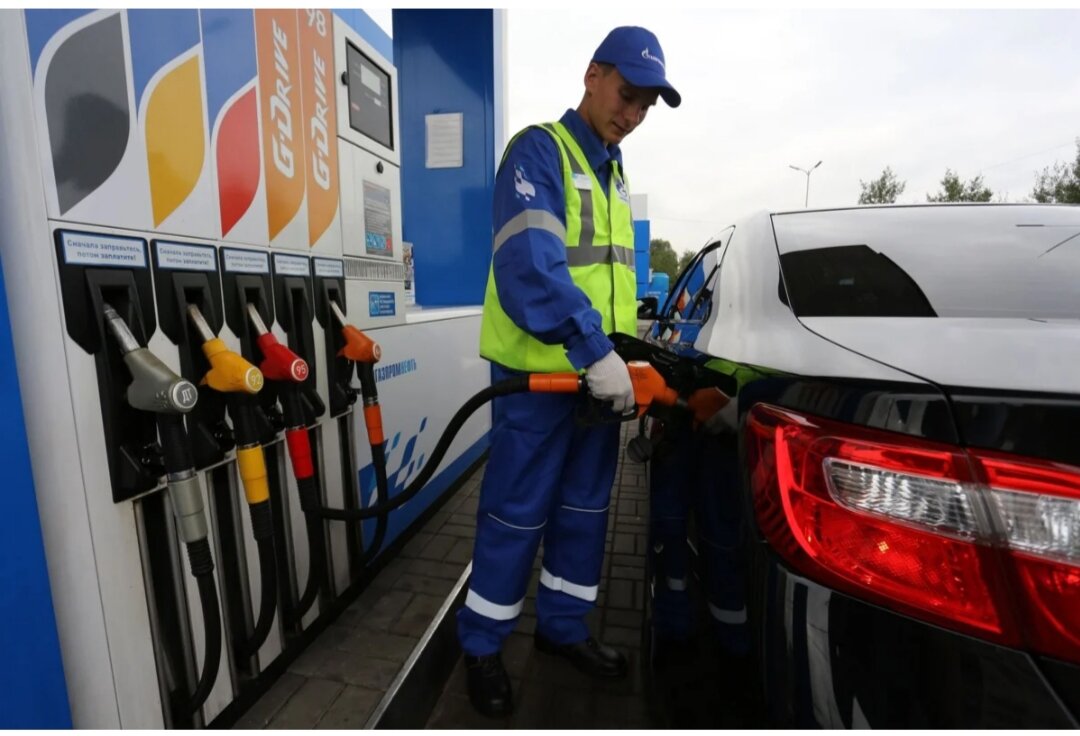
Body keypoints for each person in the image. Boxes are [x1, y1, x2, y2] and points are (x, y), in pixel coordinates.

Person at [458, 25, 681, 717]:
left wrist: (626, 358)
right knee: (516, 516)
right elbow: (530, 268)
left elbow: (610, 283)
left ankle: (561, 630)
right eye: (627, 92)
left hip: (599, 383)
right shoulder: (539, 152)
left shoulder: (613, 171)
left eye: (646, 103)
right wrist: (593, 352)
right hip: (541, 385)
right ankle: (483, 646)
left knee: (585, 513)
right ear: (592, 75)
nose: (634, 112)